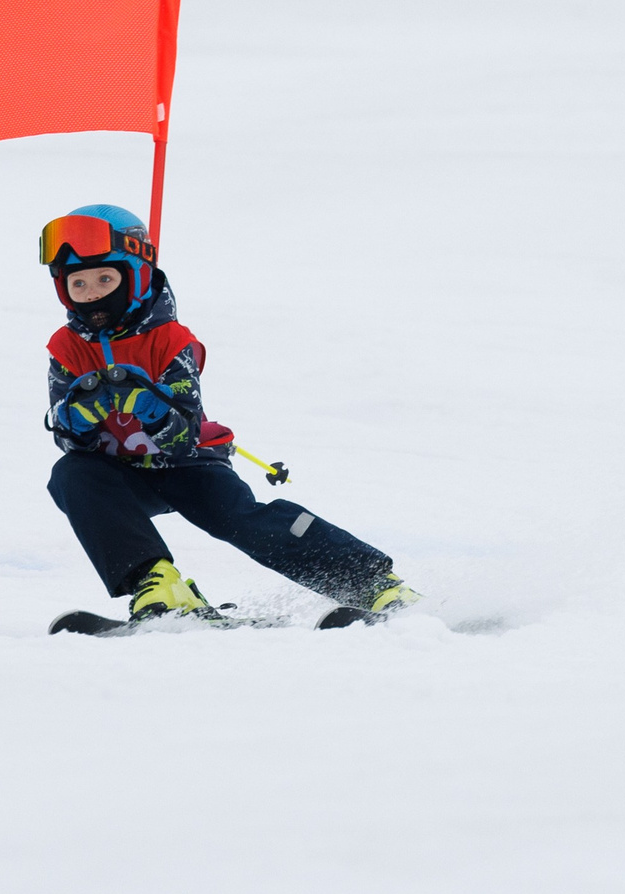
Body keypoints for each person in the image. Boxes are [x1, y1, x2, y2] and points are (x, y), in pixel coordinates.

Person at [38, 204, 414, 628]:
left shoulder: (170, 340)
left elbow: (182, 435)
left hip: (187, 465)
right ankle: (158, 585)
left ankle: (373, 584)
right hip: (119, 472)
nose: (92, 293)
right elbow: (68, 439)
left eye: (105, 279)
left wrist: (149, 406)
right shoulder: (66, 348)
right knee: (71, 474)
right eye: (78, 283)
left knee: (244, 521)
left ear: (137, 275)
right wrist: (77, 416)